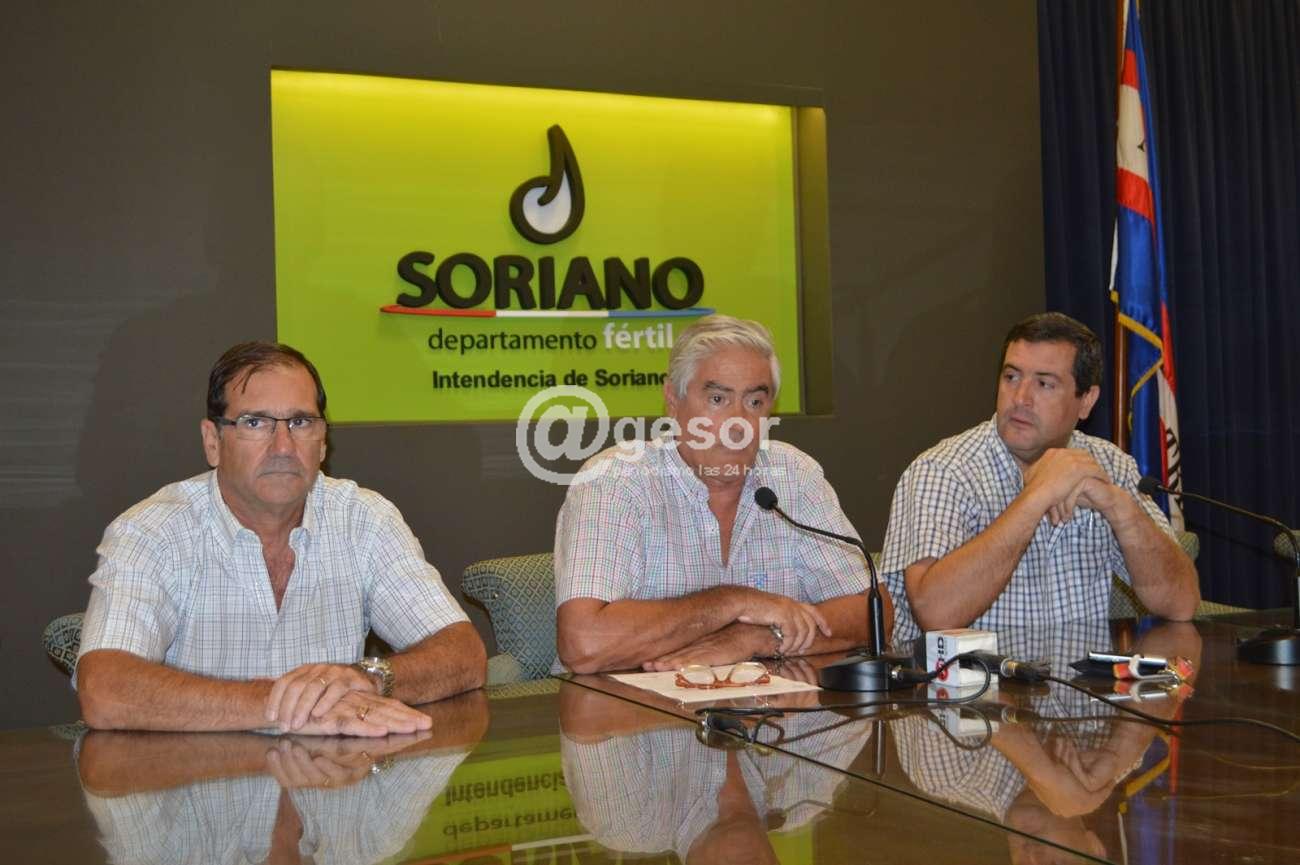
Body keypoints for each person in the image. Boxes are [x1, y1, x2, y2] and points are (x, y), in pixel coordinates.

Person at [76, 341, 485, 736]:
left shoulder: (364, 519)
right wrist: (284, 705)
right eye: (255, 423)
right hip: (197, 775)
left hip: (335, 776)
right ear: (213, 442)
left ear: (323, 443)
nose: (284, 447)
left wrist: (368, 678)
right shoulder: (153, 531)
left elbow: (465, 654)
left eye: (300, 423)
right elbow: (104, 689)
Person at [555, 314, 887, 674]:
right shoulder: (617, 480)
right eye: (717, 399)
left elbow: (875, 612)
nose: (738, 424)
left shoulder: (793, 475)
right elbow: (584, 645)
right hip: (629, 706)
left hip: (769, 705)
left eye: (755, 403)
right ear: (673, 400)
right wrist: (733, 602)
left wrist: (757, 637)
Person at [880, 312, 1199, 645]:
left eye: (1044, 383)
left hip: (1079, 678)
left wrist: (1119, 507)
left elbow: (1181, 604)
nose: (1020, 398)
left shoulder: (1110, 465)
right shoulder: (943, 470)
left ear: (1086, 400)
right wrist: (1036, 496)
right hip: (971, 679)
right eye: (1011, 377)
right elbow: (936, 614)